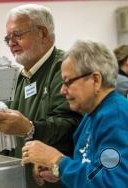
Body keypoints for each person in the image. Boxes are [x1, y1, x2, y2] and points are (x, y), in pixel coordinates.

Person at [0, 4, 82, 188]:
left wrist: (30, 128)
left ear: (43, 34)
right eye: (8, 38)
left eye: (17, 35)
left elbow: (70, 127)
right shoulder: (19, 77)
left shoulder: (64, 68)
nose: (11, 43)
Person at [22, 40, 128, 188]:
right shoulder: (91, 116)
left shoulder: (116, 117)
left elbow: (113, 183)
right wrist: (61, 171)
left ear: (95, 80)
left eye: (68, 82)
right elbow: (96, 172)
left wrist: (57, 160)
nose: (62, 90)